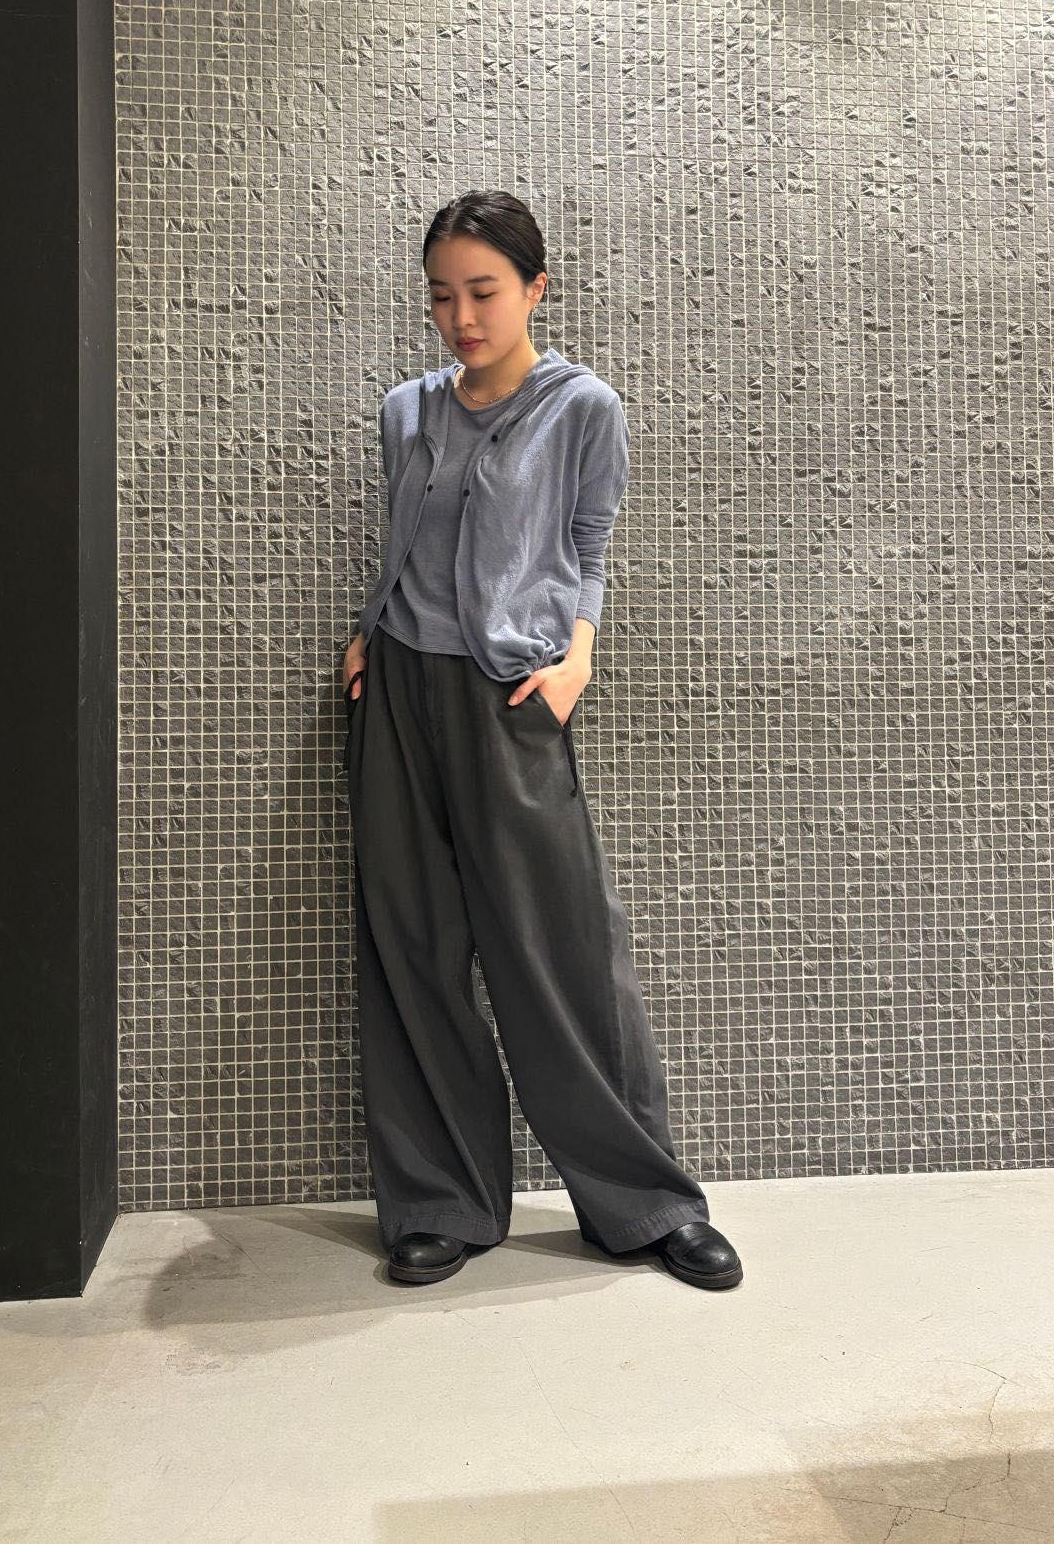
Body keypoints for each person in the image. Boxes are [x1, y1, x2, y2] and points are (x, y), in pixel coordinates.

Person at [341, 190, 742, 1292]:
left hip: (510, 696)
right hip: (398, 693)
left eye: (483, 292)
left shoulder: (582, 408)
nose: (461, 318)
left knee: (561, 955)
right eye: (441, 297)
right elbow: (407, 543)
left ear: (534, 289)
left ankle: (647, 1203)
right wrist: (369, 633)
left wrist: (576, 662)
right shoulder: (406, 410)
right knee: (413, 952)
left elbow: (588, 544)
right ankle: (440, 1202)